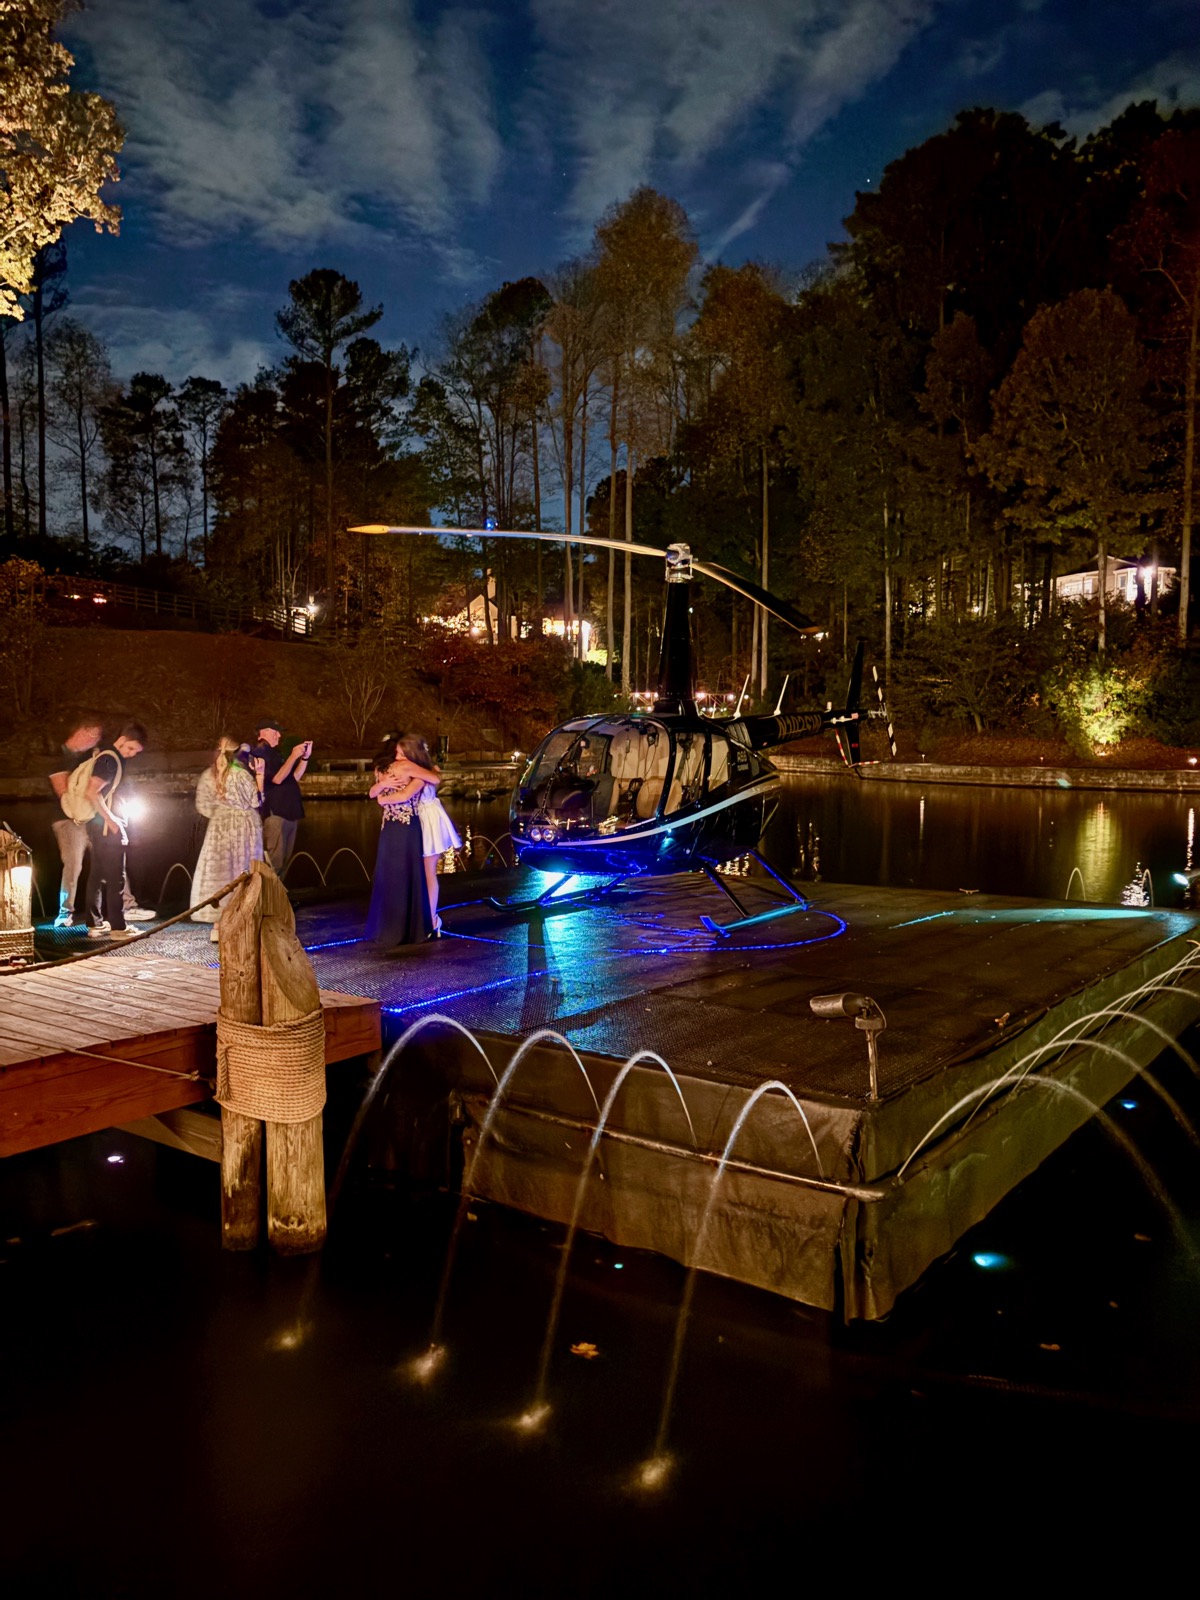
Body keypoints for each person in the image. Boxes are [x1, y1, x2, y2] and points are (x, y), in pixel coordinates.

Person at [189, 737, 266, 941]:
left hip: (219, 828)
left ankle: (217, 925)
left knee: (220, 873)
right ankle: (241, 921)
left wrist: (220, 813)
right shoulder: (241, 775)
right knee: (242, 871)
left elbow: (202, 806)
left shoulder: (208, 775)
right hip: (243, 827)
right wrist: (260, 775)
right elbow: (255, 800)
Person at [82, 722, 147, 940]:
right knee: (115, 877)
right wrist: (111, 820)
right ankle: (118, 927)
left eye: (135, 753)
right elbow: (92, 791)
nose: (130, 755)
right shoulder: (110, 760)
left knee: (97, 874)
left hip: (97, 826)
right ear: (122, 739)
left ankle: (95, 923)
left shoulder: (106, 756)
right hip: (107, 828)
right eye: (130, 749)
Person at [364, 737, 431, 947]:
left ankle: (405, 930)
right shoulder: (390, 770)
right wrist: (383, 785)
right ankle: (390, 929)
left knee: (407, 872)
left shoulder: (415, 772)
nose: (397, 758)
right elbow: (372, 792)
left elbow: (405, 795)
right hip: (392, 828)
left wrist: (383, 799)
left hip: (407, 828)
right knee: (388, 872)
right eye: (396, 753)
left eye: (401, 754)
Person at [400, 731, 461, 936]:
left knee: (429, 871)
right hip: (416, 820)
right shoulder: (408, 771)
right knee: (416, 871)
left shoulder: (428, 771)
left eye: (402, 754)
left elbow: (434, 779)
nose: (399, 758)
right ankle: (419, 915)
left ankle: (432, 919)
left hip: (430, 820)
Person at [48, 714, 103, 930]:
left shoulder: (90, 756)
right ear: (81, 732)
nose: (96, 739)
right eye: (93, 734)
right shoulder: (58, 757)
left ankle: (125, 905)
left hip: (92, 816)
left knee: (110, 856)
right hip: (67, 820)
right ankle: (64, 912)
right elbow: (64, 794)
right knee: (73, 865)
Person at [251, 719, 311, 876]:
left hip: (291, 812)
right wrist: (293, 756)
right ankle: (267, 897)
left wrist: (304, 758)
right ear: (263, 732)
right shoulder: (260, 753)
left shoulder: (276, 754)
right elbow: (276, 779)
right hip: (276, 814)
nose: (279, 735)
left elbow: (294, 776)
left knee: (284, 862)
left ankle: (279, 898)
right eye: (275, 731)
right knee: (274, 862)